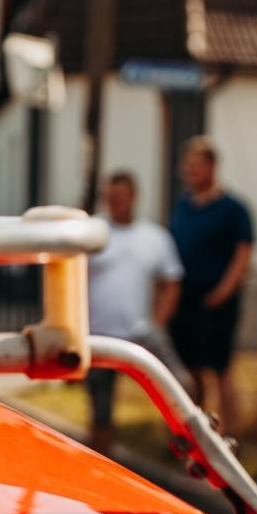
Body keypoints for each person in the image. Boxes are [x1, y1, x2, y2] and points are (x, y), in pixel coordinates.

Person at [85, 171, 190, 452]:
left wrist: (160, 320)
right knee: (100, 408)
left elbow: (172, 281)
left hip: (141, 331)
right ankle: (100, 458)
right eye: (110, 197)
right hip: (99, 334)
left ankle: (182, 448)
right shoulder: (91, 232)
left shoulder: (154, 236)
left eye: (120, 196)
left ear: (133, 197)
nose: (115, 202)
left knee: (181, 386)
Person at [168, 137, 255, 429]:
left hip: (216, 299)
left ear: (212, 167)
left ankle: (229, 433)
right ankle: (196, 430)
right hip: (185, 298)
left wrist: (223, 292)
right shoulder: (184, 206)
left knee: (220, 368)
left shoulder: (233, 209)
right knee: (191, 368)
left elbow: (243, 254)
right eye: (188, 165)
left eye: (197, 165)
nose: (191, 171)